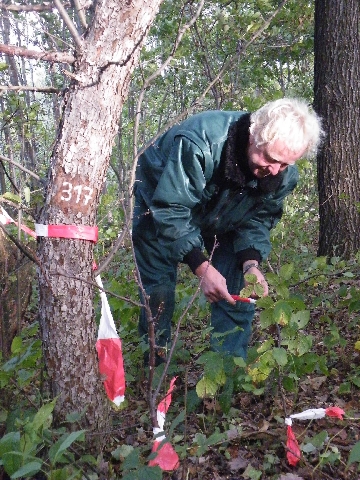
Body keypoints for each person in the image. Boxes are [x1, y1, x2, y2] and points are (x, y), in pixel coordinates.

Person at [132, 98, 323, 364]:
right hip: (160, 203)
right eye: (270, 159)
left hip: (225, 213)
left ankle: (226, 372)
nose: (275, 170)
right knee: (159, 290)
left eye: (285, 164)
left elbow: (258, 218)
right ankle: (154, 368)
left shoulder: (281, 175)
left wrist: (251, 264)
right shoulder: (201, 142)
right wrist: (201, 266)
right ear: (254, 135)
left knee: (238, 290)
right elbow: (171, 207)